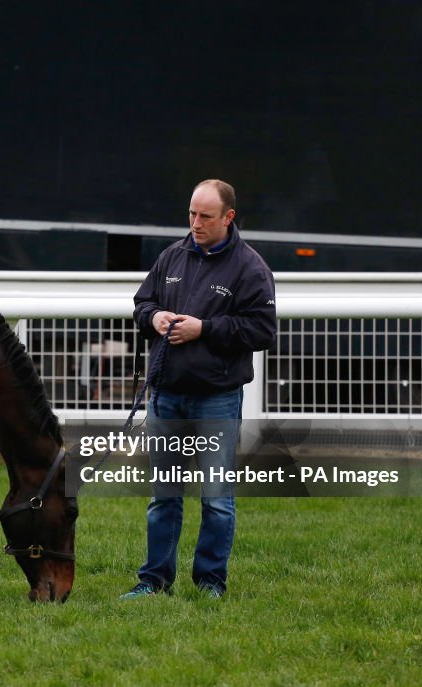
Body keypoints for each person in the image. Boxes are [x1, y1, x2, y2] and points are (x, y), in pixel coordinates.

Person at [122, 179, 277, 599]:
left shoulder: (250, 268)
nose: (196, 223)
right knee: (163, 498)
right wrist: (153, 319)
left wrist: (203, 329)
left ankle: (211, 582)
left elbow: (262, 330)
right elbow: (141, 304)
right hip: (167, 394)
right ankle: (153, 581)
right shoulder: (171, 256)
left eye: (205, 216)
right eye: (191, 213)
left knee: (216, 499)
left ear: (229, 217)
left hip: (217, 398)